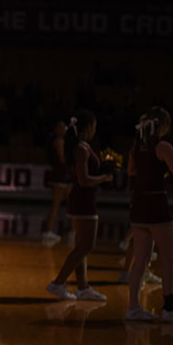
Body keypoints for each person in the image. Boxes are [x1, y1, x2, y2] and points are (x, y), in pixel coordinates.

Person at [125, 108, 173, 322]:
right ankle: (169, 308)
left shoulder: (137, 146)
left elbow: (131, 172)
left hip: (139, 207)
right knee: (169, 259)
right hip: (158, 207)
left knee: (140, 261)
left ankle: (133, 307)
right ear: (162, 126)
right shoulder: (164, 147)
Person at [46, 110, 113, 301]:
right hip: (83, 200)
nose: (95, 130)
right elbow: (83, 180)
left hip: (81, 199)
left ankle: (83, 287)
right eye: (94, 126)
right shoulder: (81, 149)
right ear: (86, 128)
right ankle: (58, 283)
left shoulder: (80, 147)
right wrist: (104, 177)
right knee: (86, 246)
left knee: (81, 244)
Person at [42, 120, 70, 245]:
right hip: (60, 176)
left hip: (62, 176)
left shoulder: (61, 141)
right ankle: (47, 231)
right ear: (56, 129)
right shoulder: (59, 141)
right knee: (56, 205)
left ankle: (73, 231)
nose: (64, 129)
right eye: (61, 127)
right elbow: (63, 160)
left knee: (70, 204)